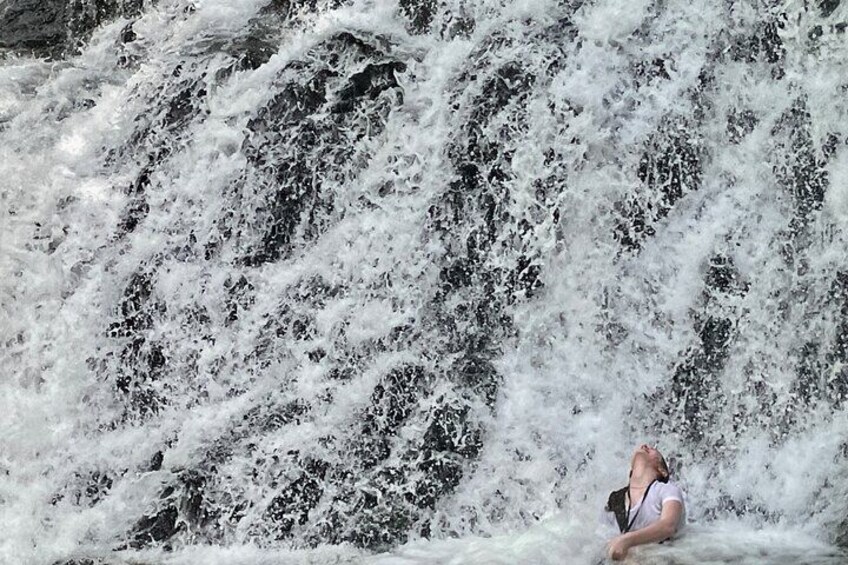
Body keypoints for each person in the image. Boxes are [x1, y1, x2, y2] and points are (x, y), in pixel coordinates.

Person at [601, 444, 686, 561]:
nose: (645, 446)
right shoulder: (615, 500)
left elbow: (668, 526)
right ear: (630, 472)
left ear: (662, 471)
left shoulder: (667, 490)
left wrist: (627, 540)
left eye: (653, 450)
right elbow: (601, 539)